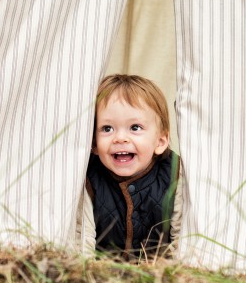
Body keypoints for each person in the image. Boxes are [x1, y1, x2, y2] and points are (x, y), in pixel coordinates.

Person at [78, 74, 182, 259]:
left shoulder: (175, 174)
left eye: (135, 127)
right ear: (93, 143)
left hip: (158, 276)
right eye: (107, 128)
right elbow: (82, 241)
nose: (120, 138)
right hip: (106, 274)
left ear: (160, 141)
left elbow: (181, 238)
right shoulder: (87, 178)